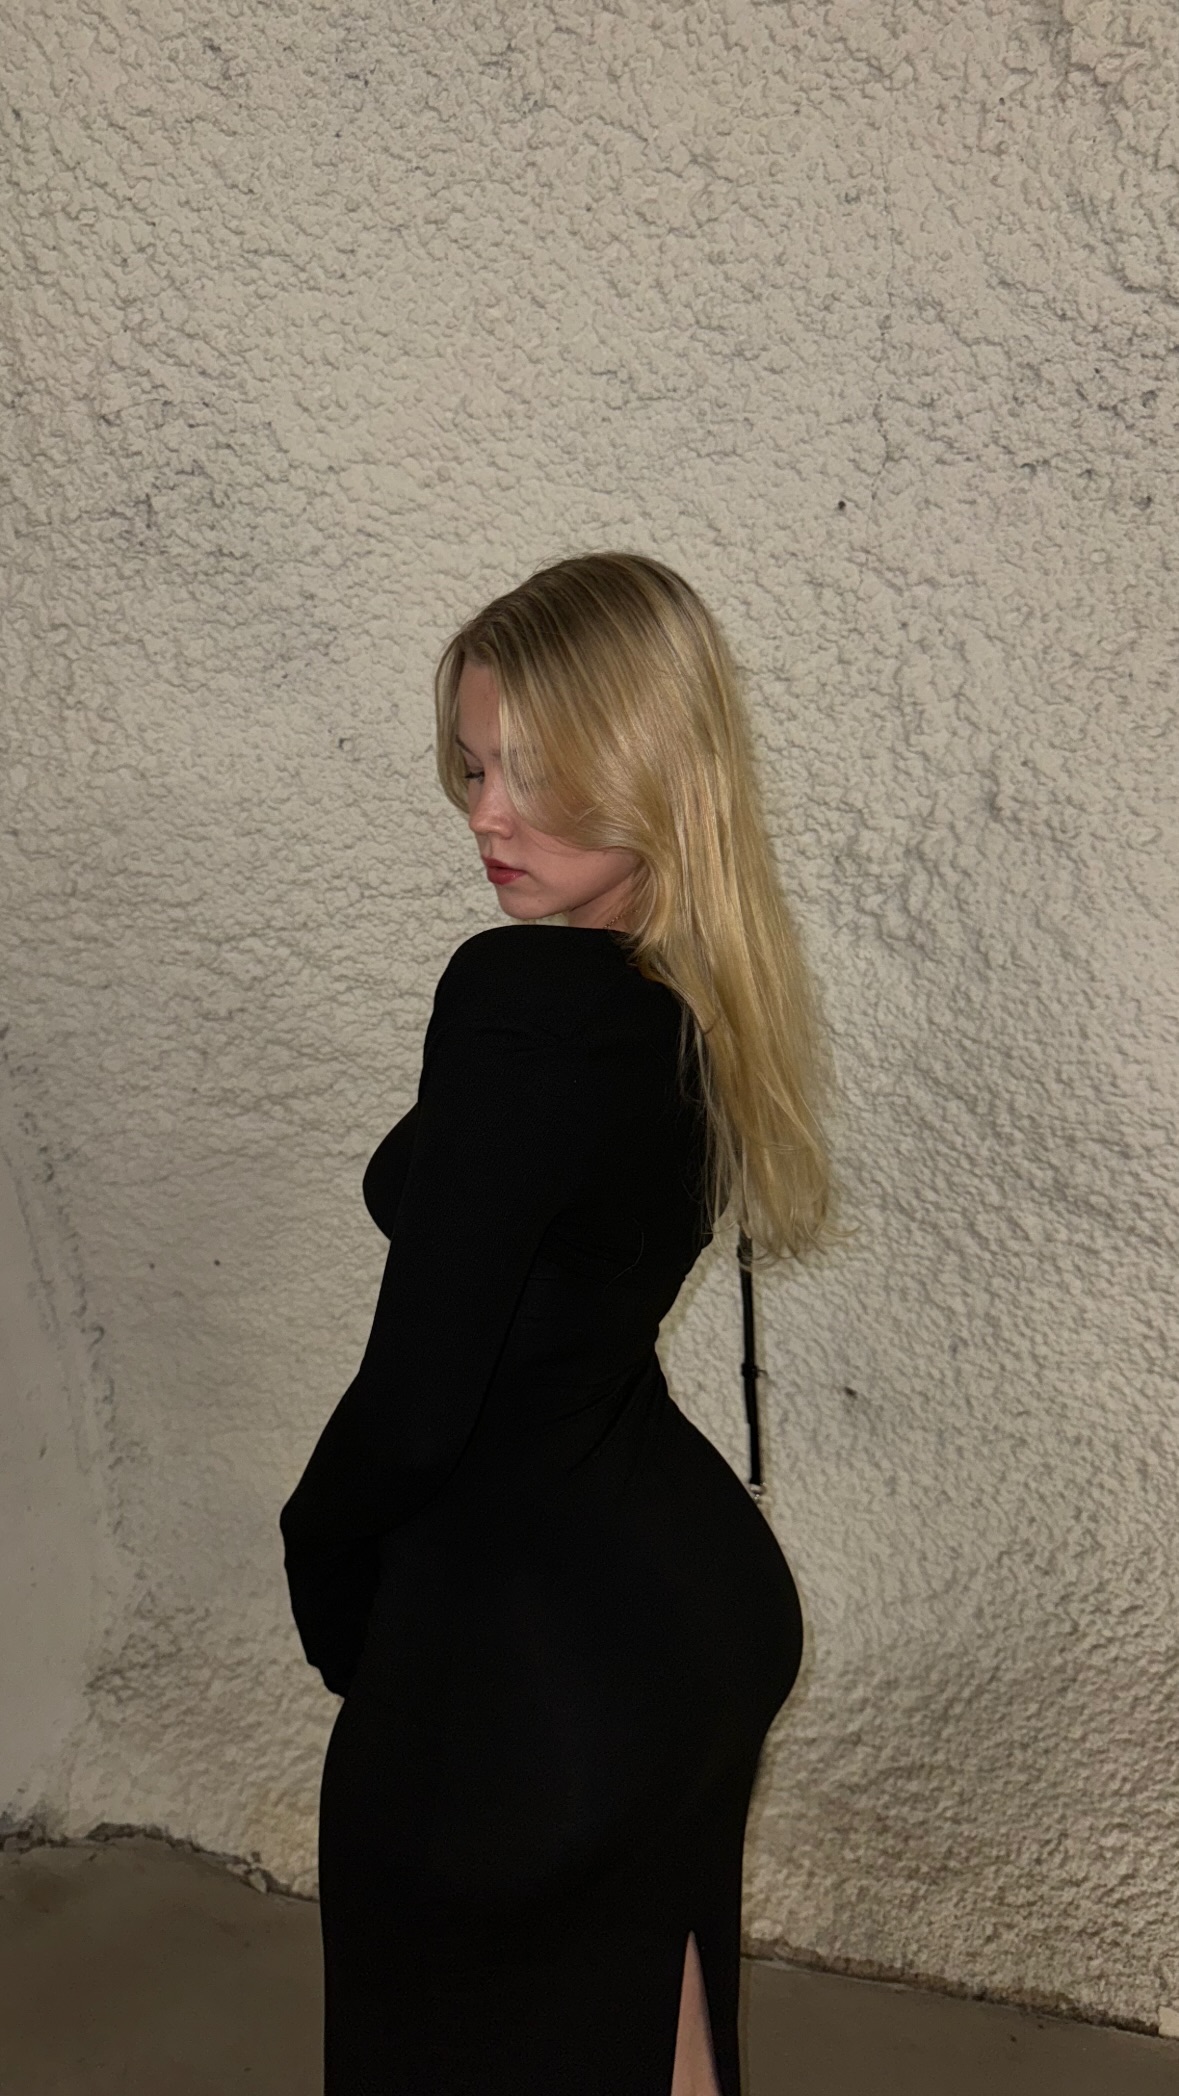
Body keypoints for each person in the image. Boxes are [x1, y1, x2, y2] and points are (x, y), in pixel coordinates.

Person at [279, 551, 848, 2095]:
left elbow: (417, 1404)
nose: (487, 813)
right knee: (662, 2039)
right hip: (683, 1623)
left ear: (649, 765)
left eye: (534, 772)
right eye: (473, 768)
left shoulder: (521, 999)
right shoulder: (686, 997)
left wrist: (321, 1565)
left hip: (534, 1680)